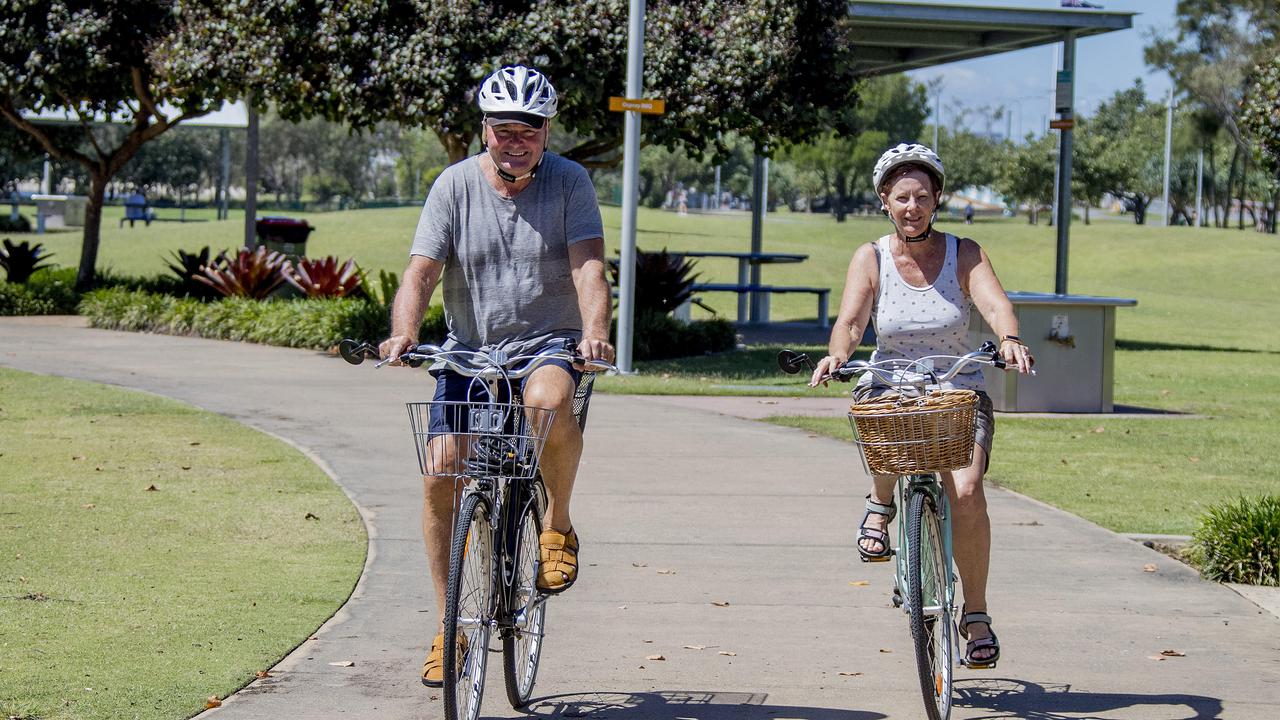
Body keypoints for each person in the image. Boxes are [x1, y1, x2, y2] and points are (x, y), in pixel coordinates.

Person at [378, 64, 615, 687]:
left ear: (545, 131)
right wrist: (405, 331)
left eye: (529, 129)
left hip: (549, 345)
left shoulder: (569, 182)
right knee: (440, 471)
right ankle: (447, 628)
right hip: (472, 353)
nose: (517, 140)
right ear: (485, 129)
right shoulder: (452, 186)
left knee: (547, 400)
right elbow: (421, 272)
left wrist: (594, 333)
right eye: (504, 128)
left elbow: (589, 267)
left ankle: (556, 525)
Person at [809, 142, 1033, 668]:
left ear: (937, 200)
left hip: (957, 384)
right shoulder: (872, 256)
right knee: (885, 430)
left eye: (923, 197)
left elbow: (996, 303)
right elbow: (850, 320)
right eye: (902, 197)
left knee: (968, 489)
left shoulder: (965, 252)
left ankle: (974, 614)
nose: (913, 207)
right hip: (892, 381)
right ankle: (881, 505)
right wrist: (837, 354)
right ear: (885, 200)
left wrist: (1009, 338)